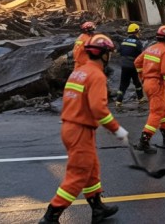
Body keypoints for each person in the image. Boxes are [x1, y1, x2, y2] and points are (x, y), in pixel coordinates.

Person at [38, 34, 129, 224]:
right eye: (109, 53)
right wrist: (116, 129)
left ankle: (97, 208)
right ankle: (51, 215)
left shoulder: (78, 72)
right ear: (104, 55)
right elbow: (98, 108)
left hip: (72, 127)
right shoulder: (96, 75)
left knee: (92, 168)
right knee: (78, 174)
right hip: (79, 130)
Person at [134, 25, 165, 154]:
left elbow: (137, 62)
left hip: (149, 83)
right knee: (156, 112)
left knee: (163, 108)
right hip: (156, 84)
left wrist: (142, 76)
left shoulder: (150, 48)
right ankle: (144, 141)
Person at [115, 23, 146, 107]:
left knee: (123, 84)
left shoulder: (124, 41)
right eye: (138, 31)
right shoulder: (138, 43)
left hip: (124, 65)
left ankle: (118, 101)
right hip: (133, 66)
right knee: (137, 83)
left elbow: (119, 51)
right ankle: (141, 99)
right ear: (136, 32)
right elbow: (141, 56)